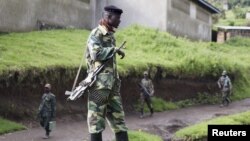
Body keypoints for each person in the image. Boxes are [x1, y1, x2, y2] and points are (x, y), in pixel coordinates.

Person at [84, 5, 128, 141]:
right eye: (117, 18)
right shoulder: (96, 33)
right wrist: (113, 50)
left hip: (112, 88)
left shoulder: (110, 36)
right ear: (108, 17)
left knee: (120, 123)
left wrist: (114, 49)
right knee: (96, 123)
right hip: (98, 87)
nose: (119, 21)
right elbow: (95, 54)